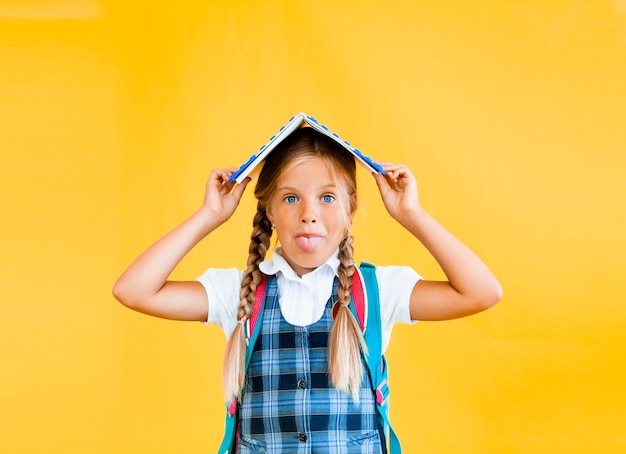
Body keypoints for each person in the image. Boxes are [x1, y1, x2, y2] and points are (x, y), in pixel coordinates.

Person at [113, 126, 502, 453]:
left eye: (327, 197)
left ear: (351, 211)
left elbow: (482, 292)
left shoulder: (380, 290)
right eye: (291, 197)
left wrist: (411, 214)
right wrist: (209, 216)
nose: (309, 213)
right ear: (269, 211)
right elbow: (134, 290)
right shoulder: (237, 293)